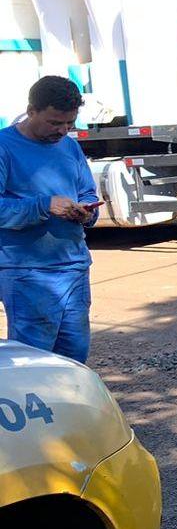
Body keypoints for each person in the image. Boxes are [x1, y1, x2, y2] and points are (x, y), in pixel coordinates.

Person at [0, 76, 99, 362]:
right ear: (31, 111)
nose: (63, 130)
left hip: (74, 267)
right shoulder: (5, 146)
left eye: (70, 123)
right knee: (35, 361)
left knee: (74, 357)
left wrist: (87, 212)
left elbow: (87, 191)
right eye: (55, 123)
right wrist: (45, 206)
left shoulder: (69, 147)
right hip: (27, 271)